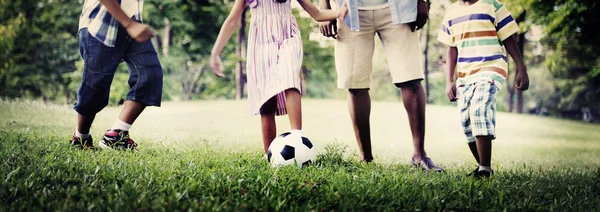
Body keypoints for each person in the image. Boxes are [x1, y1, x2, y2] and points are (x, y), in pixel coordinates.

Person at [210, 0, 348, 155]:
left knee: (290, 79)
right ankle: (268, 153)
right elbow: (232, 20)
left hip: (288, 37)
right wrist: (216, 52)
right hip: (260, 43)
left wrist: (339, 12)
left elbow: (317, 14)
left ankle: (297, 138)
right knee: (267, 101)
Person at [319, 0, 442, 171]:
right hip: (349, 10)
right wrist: (324, 8)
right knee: (355, 83)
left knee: (411, 77)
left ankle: (419, 155)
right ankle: (366, 158)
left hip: (399, 7)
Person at [438, 0, 530, 178]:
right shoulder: (451, 12)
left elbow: (508, 38)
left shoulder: (492, 6)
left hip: (491, 68)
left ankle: (485, 169)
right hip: (465, 75)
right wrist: (449, 80)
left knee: (479, 110)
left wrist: (522, 68)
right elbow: (451, 49)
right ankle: (482, 166)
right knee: (467, 122)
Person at [70, 0, 163, 150]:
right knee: (96, 87)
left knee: (150, 74)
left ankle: (116, 134)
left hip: (132, 23)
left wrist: (131, 25)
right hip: (100, 23)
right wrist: (129, 25)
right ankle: (81, 137)